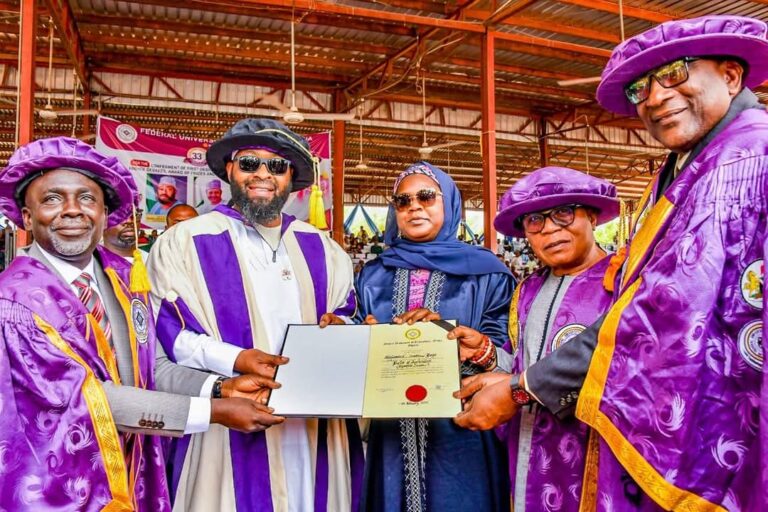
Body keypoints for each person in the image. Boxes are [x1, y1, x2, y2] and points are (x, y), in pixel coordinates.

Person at [455, 15, 768, 510]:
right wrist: (497, 365)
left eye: (675, 73)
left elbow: (662, 314)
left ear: (731, 75)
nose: (656, 97)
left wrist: (520, 389)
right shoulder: (691, 164)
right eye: (641, 88)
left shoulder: (742, 159)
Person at [0, 137, 286, 510]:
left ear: (104, 213)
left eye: (86, 198)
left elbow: (153, 368)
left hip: (133, 473)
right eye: (52, 199)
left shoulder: (124, 278)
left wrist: (221, 387)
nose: (72, 210)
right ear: (26, 217)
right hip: (57, 488)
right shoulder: (16, 302)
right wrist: (214, 412)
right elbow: (87, 399)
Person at [147, 118, 362, 512]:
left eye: (276, 166)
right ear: (229, 169)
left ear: (291, 177)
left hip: (313, 424)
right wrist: (238, 360)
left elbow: (347, 314)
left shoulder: (324, 248)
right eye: (249, 163)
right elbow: (171, 333)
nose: (263, 174)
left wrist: (341, 329)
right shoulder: (185, 241)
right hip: (228, 412)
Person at [353, 162, 514, 511]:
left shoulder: (487, 272)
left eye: (426, 197)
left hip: (463, 424)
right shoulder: (373, 274)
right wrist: (359, 336)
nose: (414, 207)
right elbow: (358, 332)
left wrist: (451, 338)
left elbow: (506, 346)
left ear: (449, 203)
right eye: (403, 200)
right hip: (391, 428)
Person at [466, 167, 619, 512]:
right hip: (526, 451)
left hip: (593, 456)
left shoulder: (621, 283)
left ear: (592, 216)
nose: (549, 228)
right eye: (534, 221)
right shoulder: (528, 290)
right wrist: (486, 353)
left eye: (563, 213)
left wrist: (517, 390)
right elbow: (520, 366)